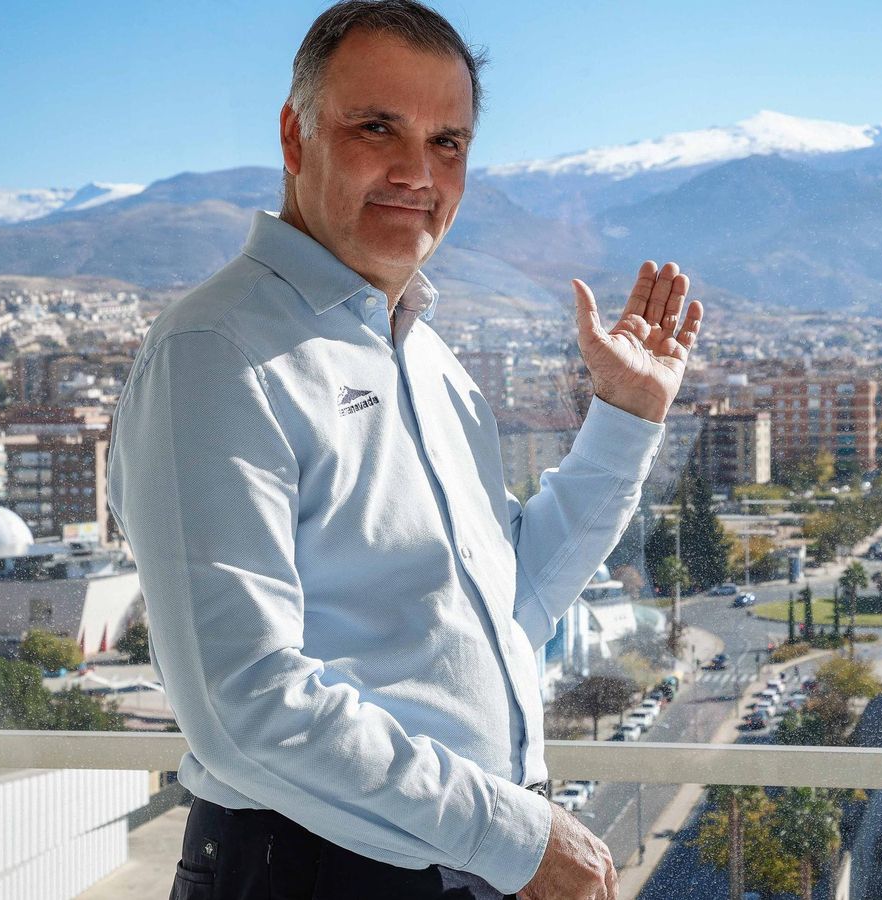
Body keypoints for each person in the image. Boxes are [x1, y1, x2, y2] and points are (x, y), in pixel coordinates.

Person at [105, 2, 705, 898]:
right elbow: (245, 700)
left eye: (448, 143)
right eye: (376, 127)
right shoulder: (216, 353)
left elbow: (514, 603)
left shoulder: (423, 354)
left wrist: (624, 418)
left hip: (462, 864)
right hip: (310, 874)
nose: (416, 172)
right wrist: (515, 837)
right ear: (294, 135)